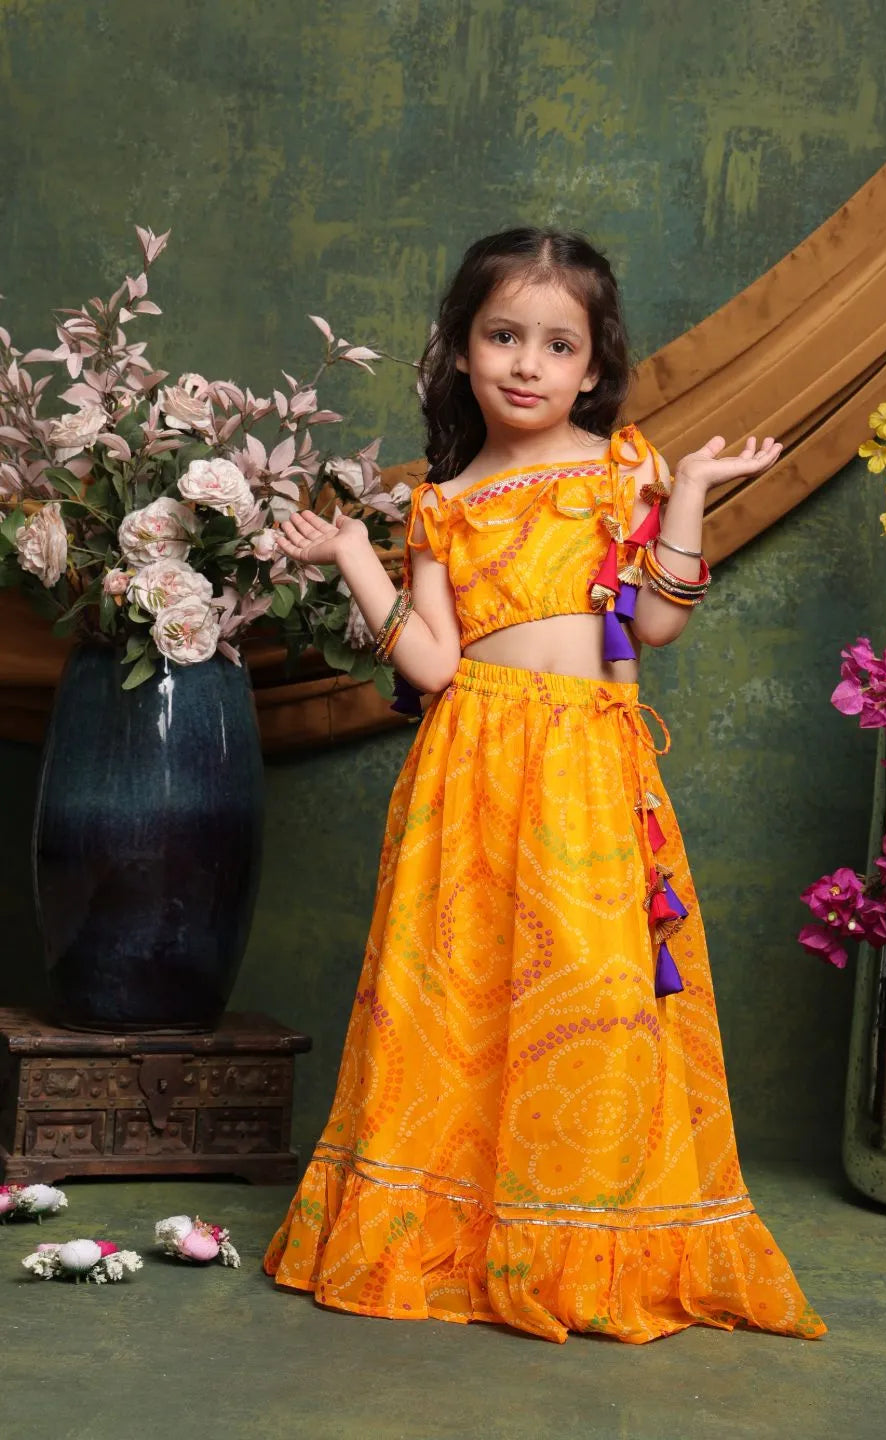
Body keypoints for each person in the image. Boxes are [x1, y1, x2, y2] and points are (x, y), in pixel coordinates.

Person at [264, 227, 825, 1345]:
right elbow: (427, 661)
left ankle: (579, 1228)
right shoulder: (443, 501)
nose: (527, 364)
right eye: (502, 336)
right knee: (459, 987)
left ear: (593, 363)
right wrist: (354, 558)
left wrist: (694, 492)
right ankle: (453, 1227)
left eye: (556, 344)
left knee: (593, 992)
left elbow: (655, 622)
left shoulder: (623, 469)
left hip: (587, 763)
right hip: (469, 760)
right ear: (461, 350)